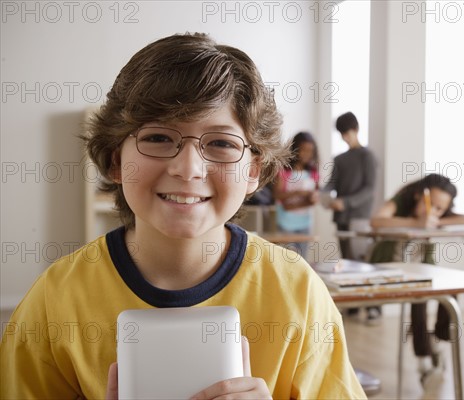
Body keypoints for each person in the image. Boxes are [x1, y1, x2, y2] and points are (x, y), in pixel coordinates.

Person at [0, 33, 366, 399]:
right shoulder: (55, 301)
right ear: (115, 159)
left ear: (254, 170)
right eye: (158, 137)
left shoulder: (298, 296)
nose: (188, 168)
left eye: (221, 143)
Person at [370, 173, 464, 383]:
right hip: (389, 267)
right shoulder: (400, 203)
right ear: (420, 195)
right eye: (432, 205)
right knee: (419, 297)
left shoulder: (437, 216)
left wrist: (436, 221)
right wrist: (416, 222)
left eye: (440, 208)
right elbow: (376, 221)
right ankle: (424, 357)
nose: (434, 210)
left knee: (452, 285)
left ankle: (439, 336)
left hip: (422, 269)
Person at [323, 112, 378, 322]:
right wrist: (322, 194)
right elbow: (331, 184)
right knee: (346, 263)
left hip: (360, 218)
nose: (345, 137)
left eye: (347, 132)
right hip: (341, 219)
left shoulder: (367, 157)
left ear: (355, 130)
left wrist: (345, 202)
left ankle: (373, 308)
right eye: (342, 134)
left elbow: (369, 189)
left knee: (363, 262)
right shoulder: (339, 159)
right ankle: (354, 305)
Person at [273, 132, 319, 258]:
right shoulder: (284, 170)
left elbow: (314, 198)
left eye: (310, 151)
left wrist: (308, 200)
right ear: (295, 149)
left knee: (303, 261)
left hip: (305, 223)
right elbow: (277, 195)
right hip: (286, 223)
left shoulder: (313, 172)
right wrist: (298, 192)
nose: (307, 154)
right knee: (288, 260)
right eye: (303, 150)